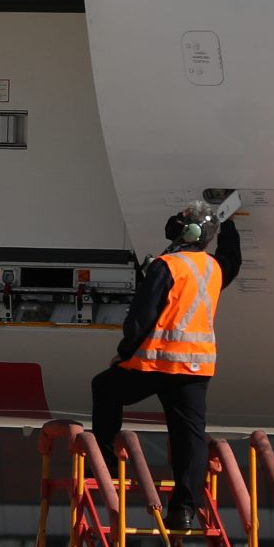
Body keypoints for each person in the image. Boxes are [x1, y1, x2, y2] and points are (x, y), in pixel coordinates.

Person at [91, 205, 241, 529]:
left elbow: (140, 319)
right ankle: (185, 510)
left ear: (187, 233)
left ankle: (102, 463)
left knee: (104, 388)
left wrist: (124, 352)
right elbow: (233, 260)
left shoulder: (166, 265)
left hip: (155, 363)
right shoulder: (214, 269)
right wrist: (228, 224)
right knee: (191, 437)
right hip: (196, 369)